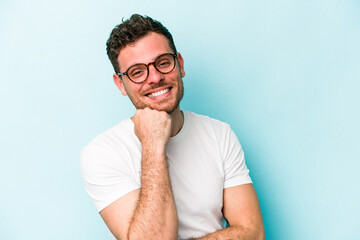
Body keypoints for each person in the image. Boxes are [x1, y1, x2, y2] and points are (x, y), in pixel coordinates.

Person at [81, 14, 264, 240]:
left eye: (163, 63)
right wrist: (152, 144)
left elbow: (253, 233)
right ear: (121, 84)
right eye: (137, 72)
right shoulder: (102, 153)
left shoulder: (219, 134)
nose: (155, 77)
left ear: (180, 64)